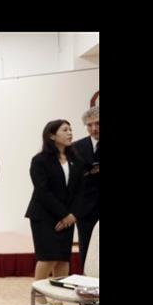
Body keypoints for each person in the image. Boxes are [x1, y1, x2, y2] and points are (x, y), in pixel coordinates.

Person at [25, 119, 84, 292]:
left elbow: (80, 191)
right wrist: (64, 215)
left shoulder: (76, 160)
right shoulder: (39, 160)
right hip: (44, 215)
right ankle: (39, 294)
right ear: (51, 135)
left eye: (71, 129)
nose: (70, 133)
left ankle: (59, 296)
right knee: (48, 258)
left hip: (68, 216)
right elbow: (43, 191)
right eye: (65, 130)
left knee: (63, 259)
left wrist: (72, 215)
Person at [71, 106, 99, 270]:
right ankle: (86, 284)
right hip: (85, 208)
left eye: (98, 124)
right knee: (86, 247)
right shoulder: (76, 147)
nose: (94, 128)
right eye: (89, 125)